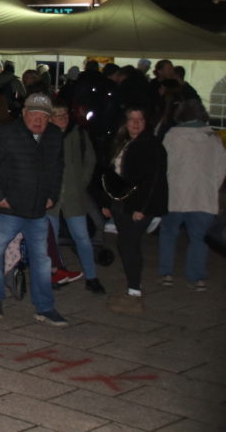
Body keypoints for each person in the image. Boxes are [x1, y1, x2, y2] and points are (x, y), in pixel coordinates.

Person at [0, 93, 67, 326]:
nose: (38, 120)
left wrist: (52, 195)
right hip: (7, 209)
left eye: (44, 116)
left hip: (37, 209)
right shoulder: (7, 132)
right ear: (24, 113)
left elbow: (58, 168)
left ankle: (44, 307)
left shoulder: (54, 135)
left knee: (42, 259)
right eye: (34, 115)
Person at [99, 107, 168, 314]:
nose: (136, 123)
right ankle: (133, 286)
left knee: (128, 243)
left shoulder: (151, 145)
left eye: (140, 119)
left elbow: (154, 180)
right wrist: (106, 202)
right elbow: (112, 173)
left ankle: (134, 290)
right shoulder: (122, 142)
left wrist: (142, 208)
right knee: (126, 243)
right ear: (125, 122)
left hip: (137, 205)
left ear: (146, 122)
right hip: (121, 202)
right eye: (131, 119)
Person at [158, 99, 226, 292]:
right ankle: (197, 278)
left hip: (176, 195)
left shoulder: (173, 136)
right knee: (199, 238)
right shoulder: (212, 139)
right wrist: (212, 188)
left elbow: (164, 166)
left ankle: (166, 274)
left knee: (168, 233)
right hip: (203, 197)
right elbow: (221, 169)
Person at [48, 99, 105, 294]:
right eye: (58, 116)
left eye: (65, 115)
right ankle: (54, 273)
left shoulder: (78, 133)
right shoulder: (45, 134)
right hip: (51, 196)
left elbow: (90, 158)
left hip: (73, 193)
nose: (63, 119)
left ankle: (91, 277)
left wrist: (82, 181)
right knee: (51, 239)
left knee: (82, 237)